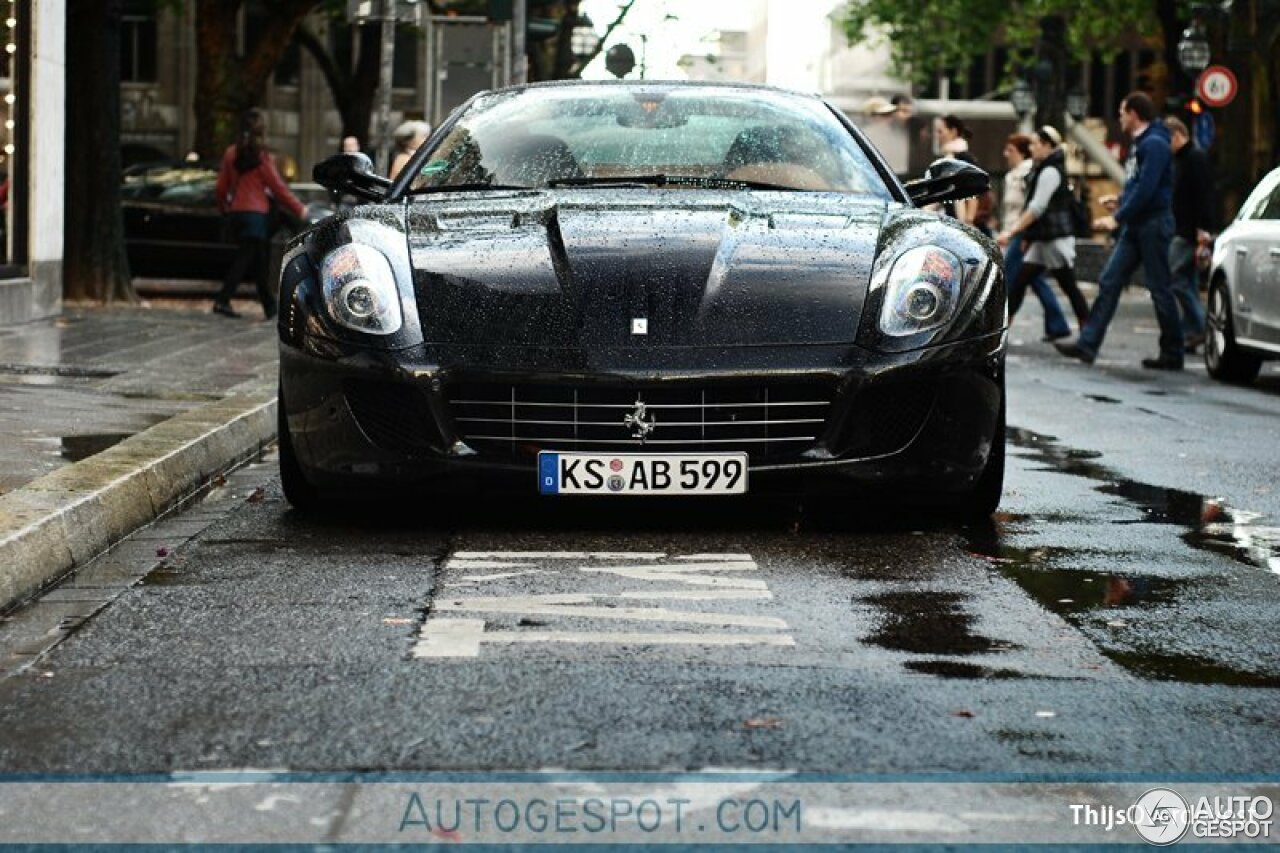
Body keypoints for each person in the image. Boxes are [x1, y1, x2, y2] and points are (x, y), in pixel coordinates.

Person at [1056, 92, 1182, 369]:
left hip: (1153, 223)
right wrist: (1122, 202)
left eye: (1122, 112)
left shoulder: (1156, 143)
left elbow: (1148, 188)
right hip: (1139, 223)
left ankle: (1173, 351)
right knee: (1110, 280)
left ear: (1135, 114)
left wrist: (1118, 217)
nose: (1120, 117)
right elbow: (1141, 185)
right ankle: (1087, 345)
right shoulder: (1144, 143)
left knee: (1159, 287)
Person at [212, 108, 306, 320]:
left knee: (258, 260)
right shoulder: (262, 157)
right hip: (258, 216)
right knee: (247, 258)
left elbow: (220, 187)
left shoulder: (230, 153)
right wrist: (299, 208)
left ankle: (270, 307)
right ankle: (223, 299)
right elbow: (278, 188)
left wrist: (224, 208)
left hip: (237, 213)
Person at [996, 126, 1090, 333]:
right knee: (1019, 283)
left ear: (1047, 146)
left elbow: (1036, 208)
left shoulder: (1050, 171)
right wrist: (1027, 236)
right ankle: (1002, 327)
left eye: (1035, 143)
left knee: (1068, 285)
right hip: (1043, 239)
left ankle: (1088, 329)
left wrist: (1012, 232)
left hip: (1055, 239)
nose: (1031, 148)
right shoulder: (1042, 168)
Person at [1164, 116, 1215, 353]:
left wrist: (1202, 230)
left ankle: (1200, 328)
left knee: (1176, 280)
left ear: (1177, 135)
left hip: (1187, 230)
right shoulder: (1183, 158)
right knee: (1187, 282)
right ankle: (1192, 332)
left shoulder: (1194, 158)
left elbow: (1203, 196)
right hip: (1185, 228)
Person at [934, 115, 979, 226]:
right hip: (949, 218)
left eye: (940, 132)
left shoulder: (964, 158)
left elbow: (974, 192)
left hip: (961, 220)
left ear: (953, 131)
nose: (937, 136)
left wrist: (968, 221)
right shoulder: (946, 157)